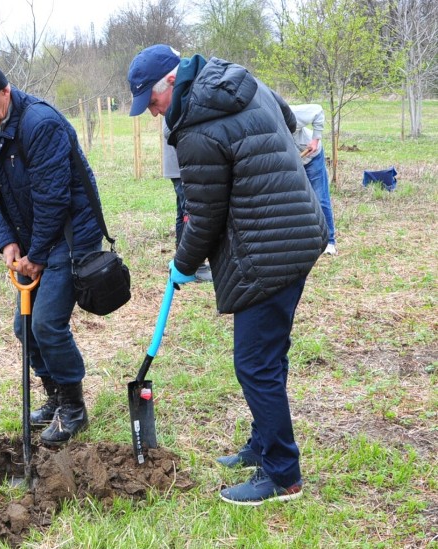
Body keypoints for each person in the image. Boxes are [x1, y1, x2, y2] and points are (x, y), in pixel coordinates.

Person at [128, 45, 328, 505]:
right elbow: (286, 115)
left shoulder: (197, 128)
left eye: (153, 102)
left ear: (172, 83)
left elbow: (205, 214)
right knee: (267, 356)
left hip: (269, 250)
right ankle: (263, 446)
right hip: (300, 230)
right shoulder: (236, 79)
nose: (154, 113)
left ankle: (282, 476)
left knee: (254, 363)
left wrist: (181, 263)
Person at [0, 55, 104, 446]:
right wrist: (7, 241)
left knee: (46, 324)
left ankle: (74, 407)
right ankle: (54, 398)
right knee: (25, 326)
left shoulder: (41, 124)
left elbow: (53, 199)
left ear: (5, 91)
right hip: (32, 237)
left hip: (69, 235)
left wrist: (35, 256)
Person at [161, 118, 212, 282]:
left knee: (183, 212)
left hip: (178, 165)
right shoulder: (176, 101)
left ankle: (182, 260)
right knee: (189, 213)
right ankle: (194, 266)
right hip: (181, 165)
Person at [291, 104, 337, 255]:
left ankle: (330, 242)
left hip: (312, 157)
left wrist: (316, 139)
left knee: (320, 198)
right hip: (292, 162)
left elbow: (318, 110)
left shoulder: (291, 114)